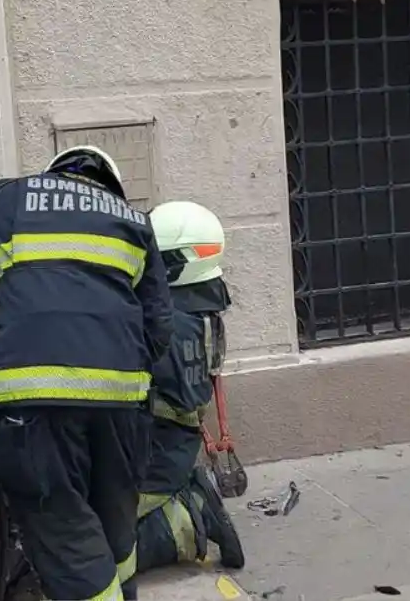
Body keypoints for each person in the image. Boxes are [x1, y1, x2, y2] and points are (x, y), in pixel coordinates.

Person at [0, 145, 175, 600]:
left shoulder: (14, 198)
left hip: (35, 401)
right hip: (121, 405)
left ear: (55, 174)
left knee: (64, 529)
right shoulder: (135, 221)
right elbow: (159, 328)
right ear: (108, 187)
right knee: (114, 523)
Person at [136, 200, 246, 572]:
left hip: (154, 454)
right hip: (169, 447)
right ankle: (189, 494)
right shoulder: (198, 307)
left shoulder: (166, 322)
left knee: (88, 555)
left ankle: (192, 513)